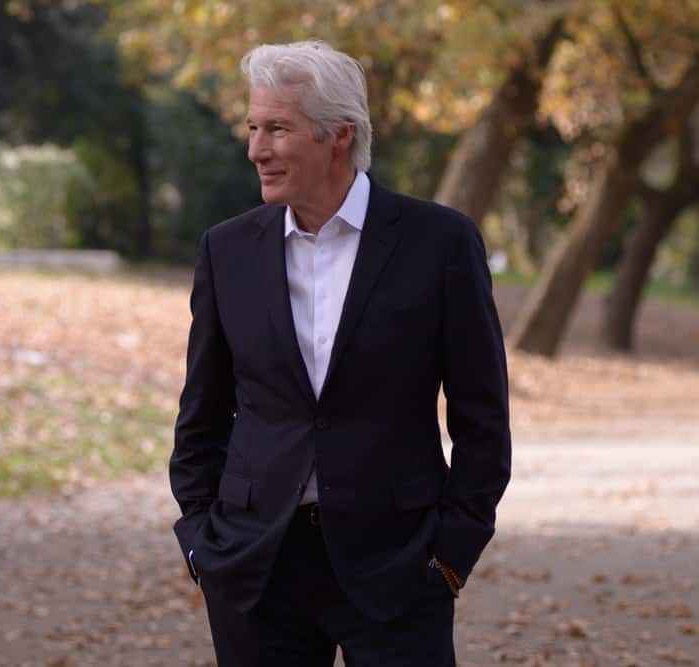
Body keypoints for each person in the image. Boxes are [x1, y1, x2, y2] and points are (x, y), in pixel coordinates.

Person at [169, 40, 511, 666]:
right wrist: (201, 542)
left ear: (340, 134)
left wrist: (451, 556)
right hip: (255, 568)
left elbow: (483, 420)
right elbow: (201, 415)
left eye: (277, 128)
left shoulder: (440, 244)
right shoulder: (226, 250)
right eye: (252, 127)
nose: (256, 149)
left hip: (400, 567)